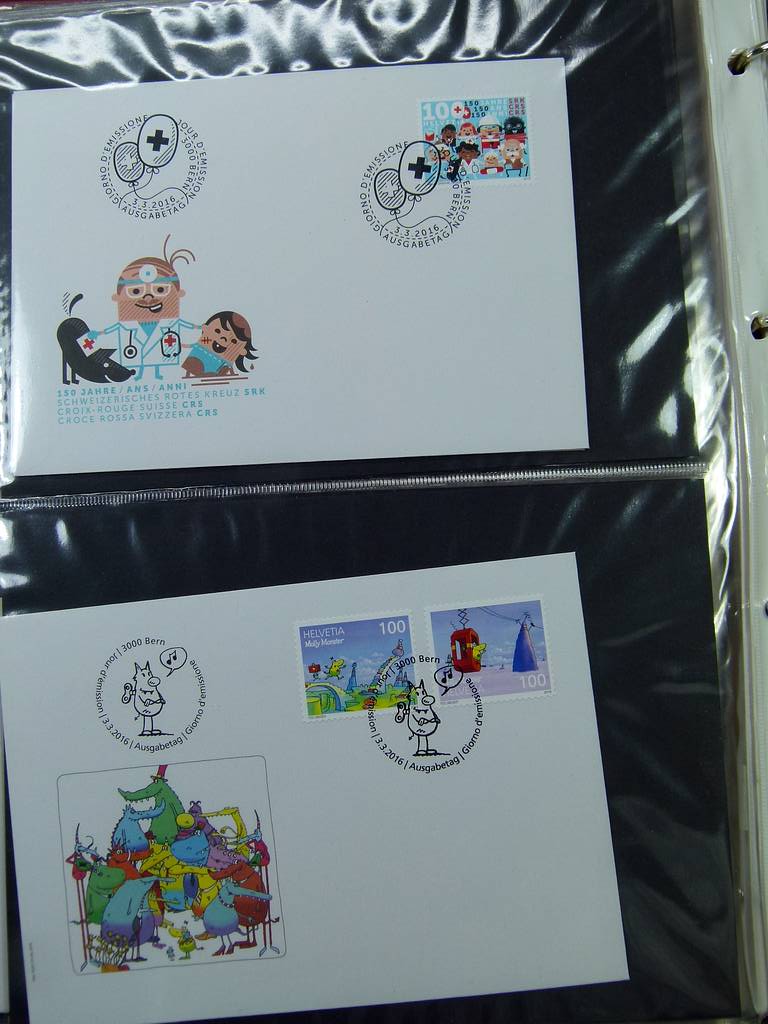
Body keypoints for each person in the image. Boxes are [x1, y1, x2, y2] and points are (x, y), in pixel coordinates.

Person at [86, 236, 199, 381]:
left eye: (160, 289)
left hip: (165, 355)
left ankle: (157, 373)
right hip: (136, 354)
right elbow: (112, 329)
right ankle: (139, 374)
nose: (148, 298)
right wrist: (98, 333)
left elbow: (185, 324)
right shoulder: (127, 326)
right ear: (117, 298)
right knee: (140, 359)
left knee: (157, 357)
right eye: (135, 291)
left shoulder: (170, 323)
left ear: (179, 294)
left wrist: (198, 327)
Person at [181, 311, 256, 378]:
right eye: (217, 331)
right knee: (194, 363)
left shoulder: (226, 362)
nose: (223, 339)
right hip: (198, 359)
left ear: (242, 351)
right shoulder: (200, 349)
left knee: (219, 370)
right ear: (205, 328)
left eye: (233, 341)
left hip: (219, 367)